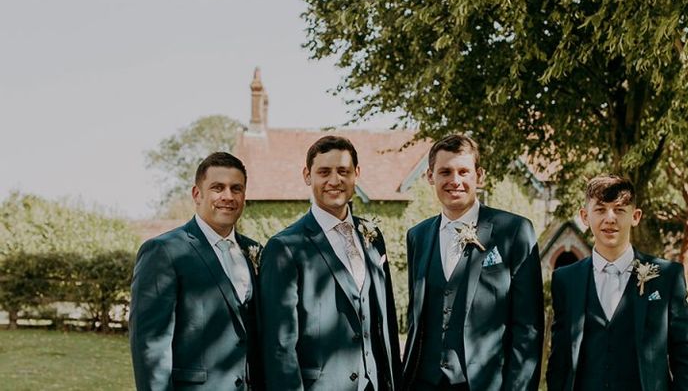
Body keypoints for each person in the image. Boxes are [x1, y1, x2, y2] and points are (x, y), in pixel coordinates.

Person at [259, 135, 402, 391]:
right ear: (307, 175)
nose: (334, 181)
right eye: (324, 172)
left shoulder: (372, 236)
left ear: (356, 174)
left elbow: (386, 320)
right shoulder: (285, 247)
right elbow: (279, 345)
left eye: (343, 171)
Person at [402, 133, 544, 391]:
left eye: (463, 172)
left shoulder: (514, 231)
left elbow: (528, 327)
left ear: (479, 176)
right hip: (423, 382)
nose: (455, 181)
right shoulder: (417, 236)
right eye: (445, 172)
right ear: (430, 176)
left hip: (487, 384)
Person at [547, 174, 688, 391]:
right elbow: (559, 359)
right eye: (600, 209)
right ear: (584, 216)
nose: (610, 218)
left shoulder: (666, 276)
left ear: (635, 216)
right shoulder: (565, 279)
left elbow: (685, 354)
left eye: (619, 209)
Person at [129, 152, 262, 390]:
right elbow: (150, 347)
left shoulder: (254, 250)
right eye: (217, 188)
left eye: (236, 189)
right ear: (197, 194)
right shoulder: (164, 251)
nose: (228, 196)